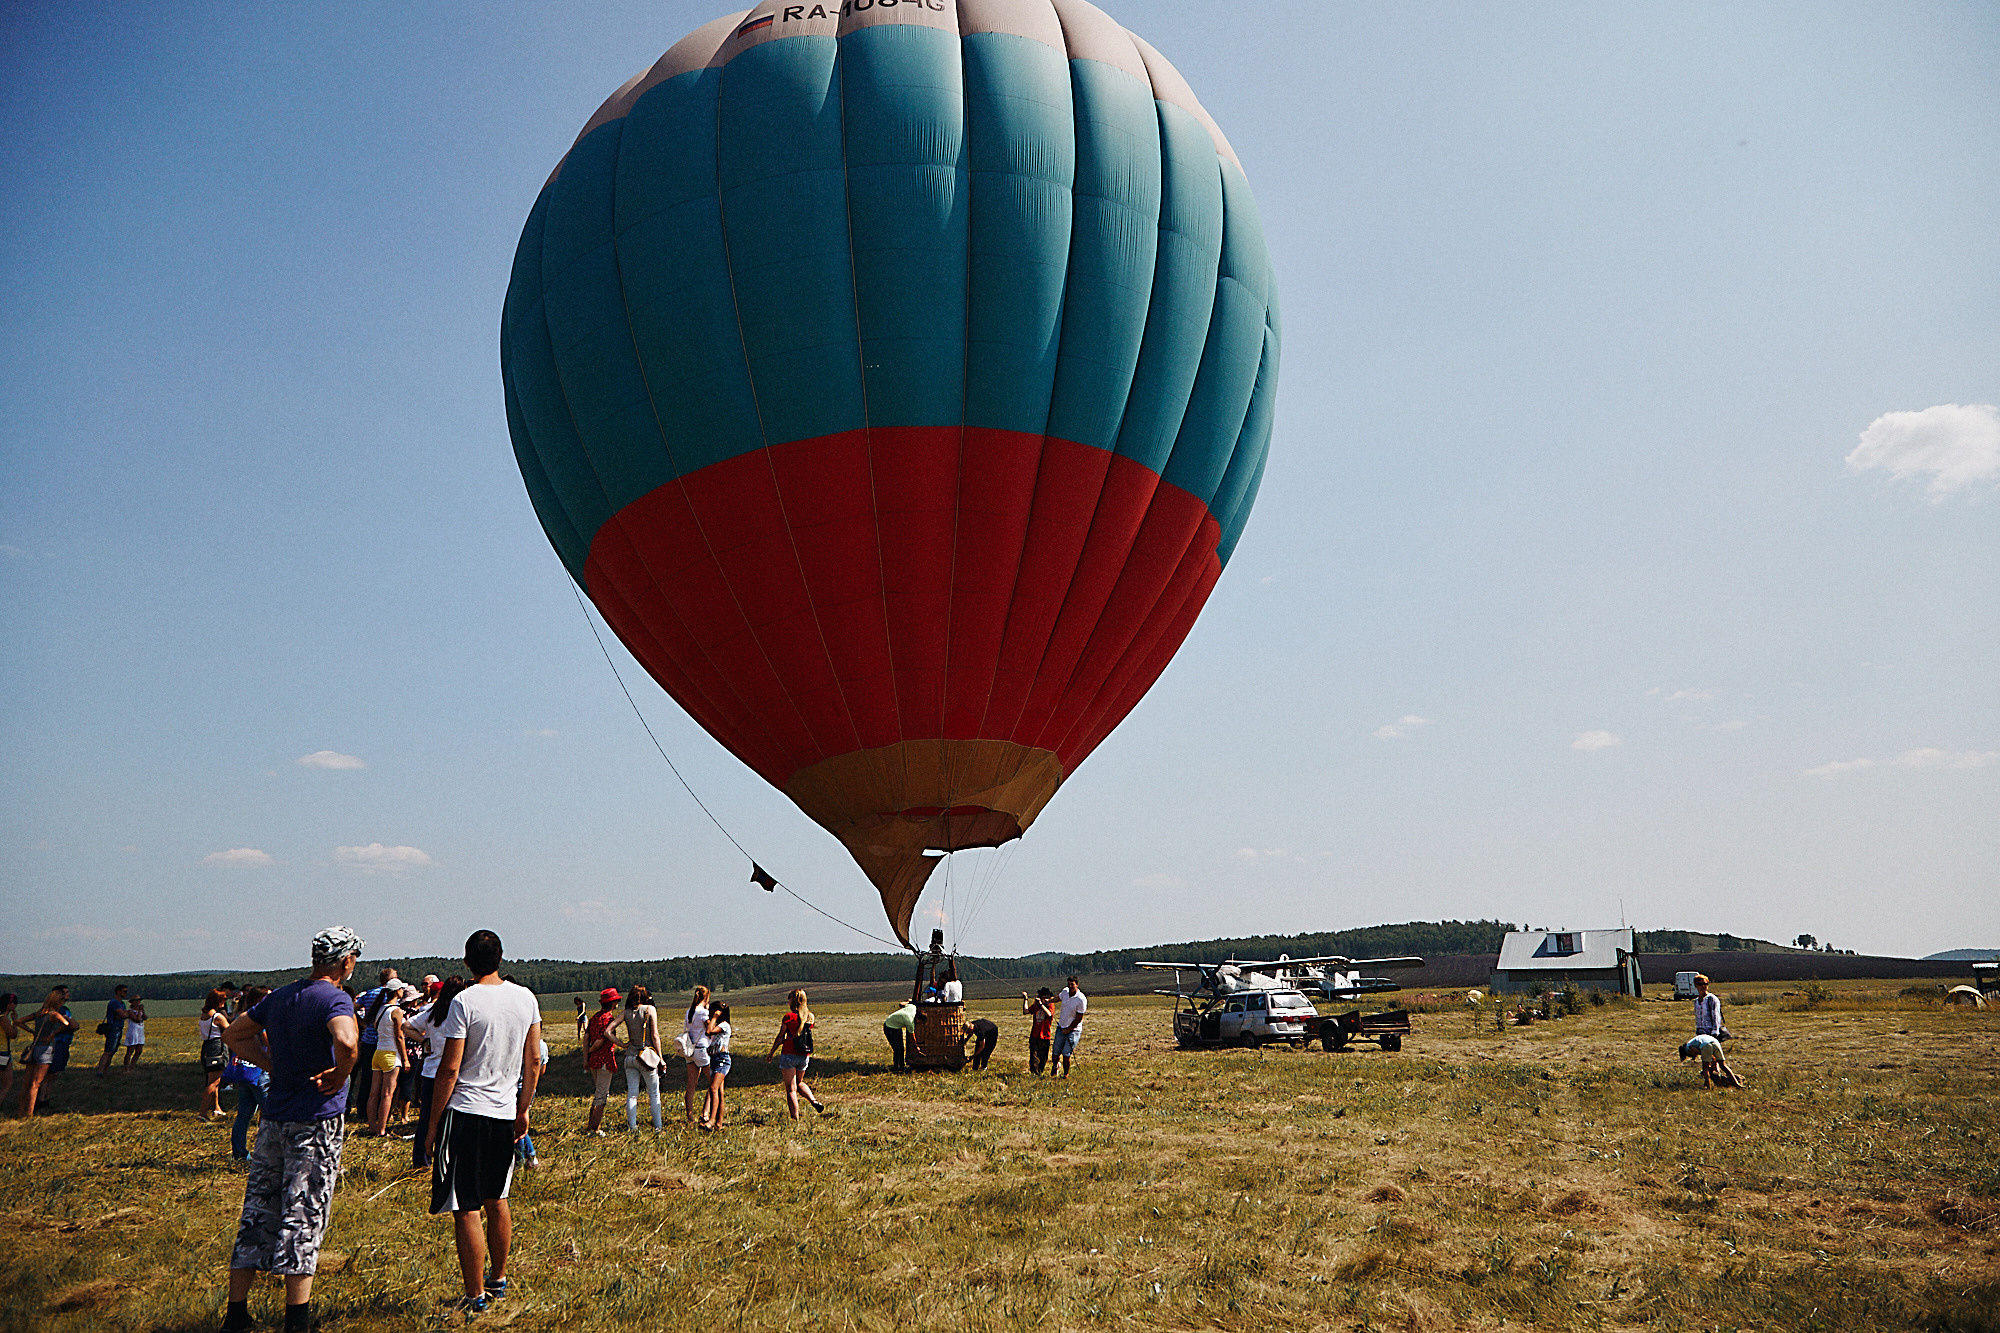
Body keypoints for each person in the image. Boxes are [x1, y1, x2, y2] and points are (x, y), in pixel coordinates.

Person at [219, 926, 364, 1333]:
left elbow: (233, 1034)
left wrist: (271, 1065)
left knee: (259, 1209)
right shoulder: (335, 998)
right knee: (304, 1211)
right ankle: (296, 1319)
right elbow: (348, 1041)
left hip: (275, 1119)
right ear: (346, 962)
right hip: (316, 1119)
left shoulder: (281, 995)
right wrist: (341, 1072)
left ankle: (236, 1312)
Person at [424, 929, 542, 1315]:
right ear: (501, 958)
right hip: (504, 1113)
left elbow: (450, 1068)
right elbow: (534, 1060)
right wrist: (523, 1109)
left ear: (466, 961)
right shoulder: (525, 999)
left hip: (467, 1111)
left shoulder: (464, 1001)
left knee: (465, 1207)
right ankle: (499, 1279)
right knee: (498, 1198)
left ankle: (474, 1297)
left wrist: (433, 1125)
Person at [406, 976, 469, 1169]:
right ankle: (448, 1158)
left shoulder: (434, 1012)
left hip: (431, 1071)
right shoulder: (461, 1012)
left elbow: (406, 1025)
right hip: (454, 1072)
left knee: (426, 1118)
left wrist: (424, 1041)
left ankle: (421, 1161)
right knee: (452, 1119)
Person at [227, 987, 275, 1162]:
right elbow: (267, 1042)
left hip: (245, 1070)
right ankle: (266, 1152)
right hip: (260, 1071)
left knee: (244, 1115)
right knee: (270, 1112)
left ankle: (239, 1152)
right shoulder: (258, 1018)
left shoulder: (242, 1017)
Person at [17, 989, 77, 1118]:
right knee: (36, 1084)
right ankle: (30, 1113)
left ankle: (21, 1110)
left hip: (34, 1048)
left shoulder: (38, 1013)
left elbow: (18, 1021)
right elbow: (67, 1024)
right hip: (45, 1049)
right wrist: (53, 1034)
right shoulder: (54, 1014)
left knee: (26, 1083)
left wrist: (31, 1031)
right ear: (57, 1001)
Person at [768, 989, 826, 1118]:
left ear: (792, 1001)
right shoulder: (810, 1017)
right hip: (804, 1055)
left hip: (789, 1054)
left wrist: (772, 1052)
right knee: (799, 1082)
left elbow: (780, 1036)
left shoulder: (789, 1017)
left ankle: (795, 1117)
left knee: (791, 1089)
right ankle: (813, 1101)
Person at [367, 984, 414, 1137]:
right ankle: (382, 1129)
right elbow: (399, 1036)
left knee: (374, 1093)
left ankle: (372, 1126)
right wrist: (405, 1059)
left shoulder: (380, 1009)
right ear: (397, 991)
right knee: (388, 1094)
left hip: (378, 1052)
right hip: (391, 1054)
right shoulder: (396, 1011)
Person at [622, 986, 663, 1132]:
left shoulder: (626, 1012)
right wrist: (661, 1058)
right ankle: (658, 1126)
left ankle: (632, 1126)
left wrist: (622, 1044)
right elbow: (655, 1036)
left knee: (632, 1094)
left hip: (630, 1055)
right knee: (653, 1093)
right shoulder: (649, 1010)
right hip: (646, 1057)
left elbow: (608, 1031)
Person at [583, 988, 621, 1136]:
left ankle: (590, 1126)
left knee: (598, 1092)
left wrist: (586, 1056)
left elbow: (586, 1038)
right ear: (613, 1003)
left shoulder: (594, 1018)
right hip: (605, 1059)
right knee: (602, 1095)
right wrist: (591, 1050)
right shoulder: (608, 1019)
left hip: (594, 1062)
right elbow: (599, 1042)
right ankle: (595, 1128)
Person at [200, 988, 234, 1120]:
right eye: (224, 999)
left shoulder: (204, 1015)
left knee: (212, 1079)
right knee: (214, 1082)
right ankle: (202, 1112)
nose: (225, 1002)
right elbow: (230, 1030)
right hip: (217, 1048)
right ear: (218, 1001)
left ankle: (216, 1107)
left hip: (207, 1048)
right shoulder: (217, 1017)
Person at [682, 985, 713, 1126]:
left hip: (689, 1049)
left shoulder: (689, 1011)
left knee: (691, 1084)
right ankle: (706, 1113)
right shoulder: (703, 1013)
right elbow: (709, 1029)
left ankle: (690, 1117)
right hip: (701, 1048)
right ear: (706, 997)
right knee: (714, 1083)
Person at [700, 1003, 733, 1130]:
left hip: (722, 1059)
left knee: (713, 1088)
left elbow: (709, 1031)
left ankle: (712, 1120)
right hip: (714, 1059)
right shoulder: (718, 1025)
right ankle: (719, 1123)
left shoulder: (724, 1025)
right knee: (719, 1091)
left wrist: (714, 1018)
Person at [1679, 1035, 1745, 1089]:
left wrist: (1707, 1060)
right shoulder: (1693, 1041)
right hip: (1715, 1042)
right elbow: (1712, 1057)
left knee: (1705, 1068)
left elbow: (1696, 1051)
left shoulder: (1688, 1047)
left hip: (1706, 1045)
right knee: (1723, 1065)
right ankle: (1737, 1084)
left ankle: (1708, 1087)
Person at [1053, 977, 1087, 1079]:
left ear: (1077, 984)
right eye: (1069, 984)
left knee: (1066, 1053)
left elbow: (1079, 1017)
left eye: (1072, 984)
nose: (1070, 986)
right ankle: (1055, 1067)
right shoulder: (1065, 992)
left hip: (1074, 1030)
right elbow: (1057, 998)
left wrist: (1069, 1029)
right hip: (1061, 1027)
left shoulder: (1081, 999)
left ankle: (1065, 1075)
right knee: (1055, 1053)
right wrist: (1048, 1001)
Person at [94, 984, 130, 1076]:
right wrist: (124, 1014)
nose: (126, 993)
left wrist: (123, 1014)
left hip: (119, 1027)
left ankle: (104, 1071)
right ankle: (100, 1071)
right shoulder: (114, 1003)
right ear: (118, 991)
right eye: (124, 991)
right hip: (113, 1028)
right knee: (108, 1050)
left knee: (112, 1051)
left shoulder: (122, 1003)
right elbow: (123, 1015)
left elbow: (123, 1014)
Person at [1022, 988, 1054, 1076]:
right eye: (1044, 998)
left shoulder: (1050, 1005)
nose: (1046, 1000)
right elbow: (1026, 1011)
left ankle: (1040, 1072)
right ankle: (1034, 1073)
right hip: (1034, 1036)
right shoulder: (1036, 1006)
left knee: (1043, 1057)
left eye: (1048, 998)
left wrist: (1041, 1005)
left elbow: (1049, 1014)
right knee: (1034, 1057)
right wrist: (1025, 999)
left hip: (1045, 1036)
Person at [882, 1000, 916, 1074]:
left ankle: (901, 1067)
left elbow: (901, 1004)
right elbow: (912, 1036)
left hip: (896, 1026)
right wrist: (916, 1046)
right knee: (897, 1048)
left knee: (901, 1048)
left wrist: (909, 1001)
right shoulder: (910, 1021)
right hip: (889, 1027)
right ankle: (897, 1068)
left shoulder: (912, 1007)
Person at [1692, 975, 1727, 1041]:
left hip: (1711, 1032)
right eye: (1700, 984)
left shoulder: (1712, 999)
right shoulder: (1696, 1001)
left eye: (1705, 984)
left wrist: (1715, 1033)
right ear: (1695, 985)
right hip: (1700, 1032)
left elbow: (1716, 1016)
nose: (1703, 986)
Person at [0, 993, 18, 1108]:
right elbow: (13, 1034)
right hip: (3, 1052)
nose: (16, 1006)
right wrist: (15, 1022)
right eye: (14, 1003)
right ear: (9, 1004)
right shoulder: (3, 1019)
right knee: (7, 1083)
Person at [121, 996, 148, 1070]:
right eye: (136, 1001)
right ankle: (126, 1068)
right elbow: (137, 1019)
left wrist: (143, 1011)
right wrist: (139, 1011)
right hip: (133, 1031)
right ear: (132, 1002)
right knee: (130, 1050)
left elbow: (145, 1017)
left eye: (139, 1000)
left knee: (139, 1050)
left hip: (140, 1032)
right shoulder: (130, 1011)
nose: (138, 1002)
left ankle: (132, 1066)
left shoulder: (140, 1010)